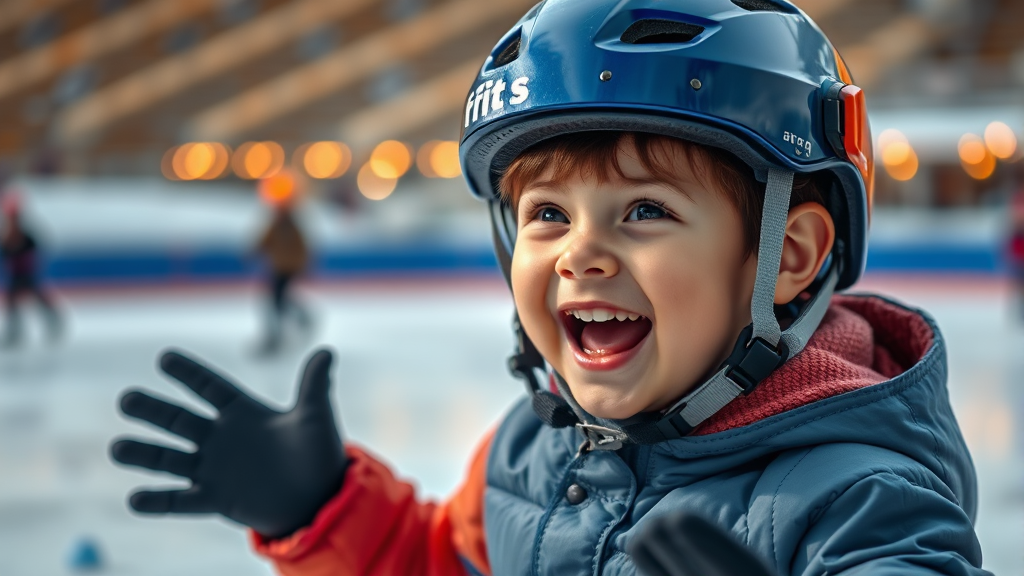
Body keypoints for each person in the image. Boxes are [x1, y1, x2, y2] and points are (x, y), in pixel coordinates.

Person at [109, 1, 989, 574]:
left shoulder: (863, 504)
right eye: (548, 215)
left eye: (645, 210)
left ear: (787, 255)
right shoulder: (533, 454)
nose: (580, 255)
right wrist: (330, 510)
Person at [252, 171, 312, 355]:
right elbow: (266, 241)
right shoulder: (278, 224)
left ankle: (278, 335)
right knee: (277, 301)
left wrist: (302, 264)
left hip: (287, 268)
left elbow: (300, 246)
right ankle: (297, 321)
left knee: (276, 301)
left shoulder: (289, 225)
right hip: (280, 267)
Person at [1, 191, 61, 347]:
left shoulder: (26, 237)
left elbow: (36, 254)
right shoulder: (8, 237)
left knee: (39, 300)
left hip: (28, 274)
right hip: (16, 276)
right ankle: (14, 333)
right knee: (12, 304)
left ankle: (53, 323)